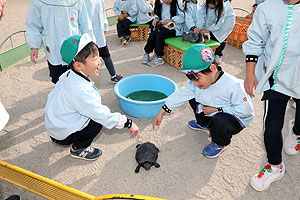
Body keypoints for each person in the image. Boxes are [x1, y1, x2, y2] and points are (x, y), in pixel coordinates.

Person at [44, 34, 140, 160]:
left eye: (98, 56)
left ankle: (68, 136)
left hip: (56, 126)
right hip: (61, 134)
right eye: (94, 58)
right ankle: (78, 149)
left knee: (92, 113)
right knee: (96, 122)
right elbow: (101, 115)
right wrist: (127, 122)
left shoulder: (68, 74)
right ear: (78, 66)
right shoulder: (81, 91)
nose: (100, 62)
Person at [153, 44, 254, 158]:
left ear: (212, 69)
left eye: (197, 78)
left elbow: (245, 111)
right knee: (191, 96)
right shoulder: (198, 84)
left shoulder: (234, 86)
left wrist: (218, 109)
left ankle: (220, 143)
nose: (195, 83)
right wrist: (162, 111)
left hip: (234, 117)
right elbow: (181, 94)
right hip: (212, 109)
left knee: (220, 121)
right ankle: (204, 124)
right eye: (192, 79)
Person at [243, 0, 300, 192]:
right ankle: (275, 166)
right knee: (272, 126)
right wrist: (250, 73)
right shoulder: (267, 7)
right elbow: (255, 39)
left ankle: (296, 131)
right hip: (275, 77)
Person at [25, 0, 95, 84]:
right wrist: (34, 46)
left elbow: (85, 23)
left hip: (75, 47)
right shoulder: (39, 1)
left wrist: (91, 44)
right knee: (58, 79)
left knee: (79, 77)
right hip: (54, 46)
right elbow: (33, 23)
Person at [85, 0, 123, 83]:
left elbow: (103, 15)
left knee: (106, 54)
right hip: (86, 35)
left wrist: (105, 29)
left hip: (99, 34)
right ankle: (85, 80)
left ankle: (113, 75)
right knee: (86, 58)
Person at [142, 0, 185, 67]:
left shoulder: (177, 4)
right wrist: (156, 19)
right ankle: (147, 52)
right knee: (154, 33)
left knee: (160, 34)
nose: (166, 1)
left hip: (174, 28)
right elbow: (157, 15)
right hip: (163, 27)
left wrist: (172, 20)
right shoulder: (161, 5)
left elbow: (182, 17)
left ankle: (159, 57)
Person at [196, 0, 235, 64]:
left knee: (220, 38)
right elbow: (201, 16)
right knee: (209, 37)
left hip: (225, 24)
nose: (210, 6)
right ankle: (208, 53)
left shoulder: (224, 6)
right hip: (213, 22)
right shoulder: (205, 5)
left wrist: (209, 29)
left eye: (213, 4)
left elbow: (220, 22)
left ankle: (218, 54)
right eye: (209, 4)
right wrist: (199, 27)